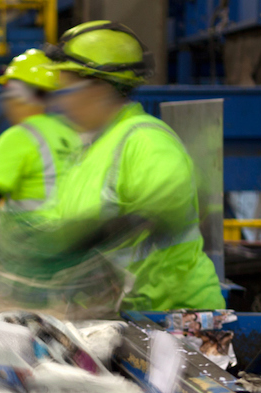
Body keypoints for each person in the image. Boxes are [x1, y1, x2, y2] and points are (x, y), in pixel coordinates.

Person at [42, 21, 225, 311]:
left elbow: (166, 209)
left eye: (66, 88)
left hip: (176, 323)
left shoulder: (146, 139)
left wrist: (96, 236)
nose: (61, 102)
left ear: (97, 87)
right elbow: (60, 224)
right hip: (123, 317)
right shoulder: (89, 150)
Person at [0, 49, 79, 212]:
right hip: (76, 232)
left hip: (30, 233)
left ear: (16, 97)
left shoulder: (19, 137)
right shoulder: (71, 132)